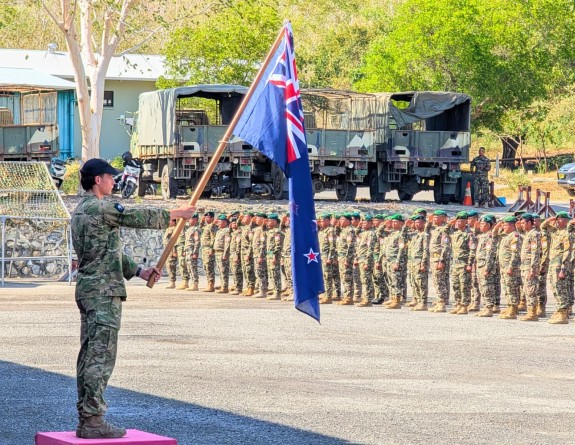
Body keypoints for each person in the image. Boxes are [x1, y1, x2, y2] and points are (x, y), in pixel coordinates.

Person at [71, 158, 195, 439]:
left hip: (90, 290)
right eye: (110, 176)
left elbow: (107, 253)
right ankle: (92, 420)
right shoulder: (101, 207)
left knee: (89, 355)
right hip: (104, 293)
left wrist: (140, 271)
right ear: (97, 180)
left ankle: (87, 416)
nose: (114, 181)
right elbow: (134, 217)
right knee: (100, 357)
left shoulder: (81, 210)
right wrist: (175, 214)